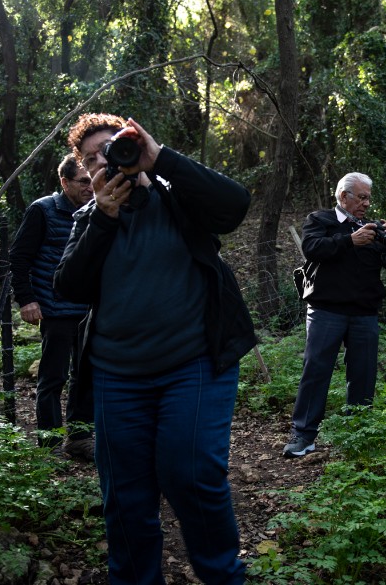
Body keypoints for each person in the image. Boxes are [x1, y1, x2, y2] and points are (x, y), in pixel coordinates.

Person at [54, 113, 255, 585]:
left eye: (113, 146)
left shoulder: (176, 193)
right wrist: (104, 218)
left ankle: (223, 576)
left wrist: (160, 156)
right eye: (90, 159)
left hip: (195, 362)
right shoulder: (88, 218)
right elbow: (70, 287)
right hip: (117, 374)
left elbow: (235, 206)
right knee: (124, 493)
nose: (103, 159)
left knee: (189, 472)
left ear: (133, 143)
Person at [283, 172, 386, 458]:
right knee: (316, 372)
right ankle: (303, 435)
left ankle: (358, 434)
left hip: (365, 313)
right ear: (344, 196)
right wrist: (349, 240)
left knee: (363, 375)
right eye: (361, 197)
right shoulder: (321, 220)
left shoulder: (371, 228)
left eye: (368, 198)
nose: (366, 204)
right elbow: (312, 248)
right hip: (326, 310)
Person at [10, 154, 95, 460]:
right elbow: (18, 259)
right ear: (65, 182)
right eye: (84, 181)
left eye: (93, 181)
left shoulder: (98, 211)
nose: (90, 187)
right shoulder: (42, 210)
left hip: (90, 311)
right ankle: (49, 445)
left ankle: (80, 438)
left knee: (86, 376)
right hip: (55, 310)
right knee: (53, 377)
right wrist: (27, 299)